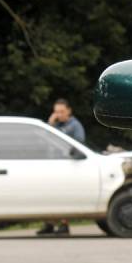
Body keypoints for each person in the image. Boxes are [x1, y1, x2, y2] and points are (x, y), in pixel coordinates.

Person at [37, 99, 86, 236]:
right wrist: (50, 124)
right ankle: (49, 224)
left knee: (63, 194)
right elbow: (42, 141)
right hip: (52, 165)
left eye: (61, 112)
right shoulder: (54, 125)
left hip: (67, 166)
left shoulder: (75, 125)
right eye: (56, 112)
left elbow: (79, 144)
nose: (58, 115)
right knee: (48, 195)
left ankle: (64, 224)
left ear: (69, 111)